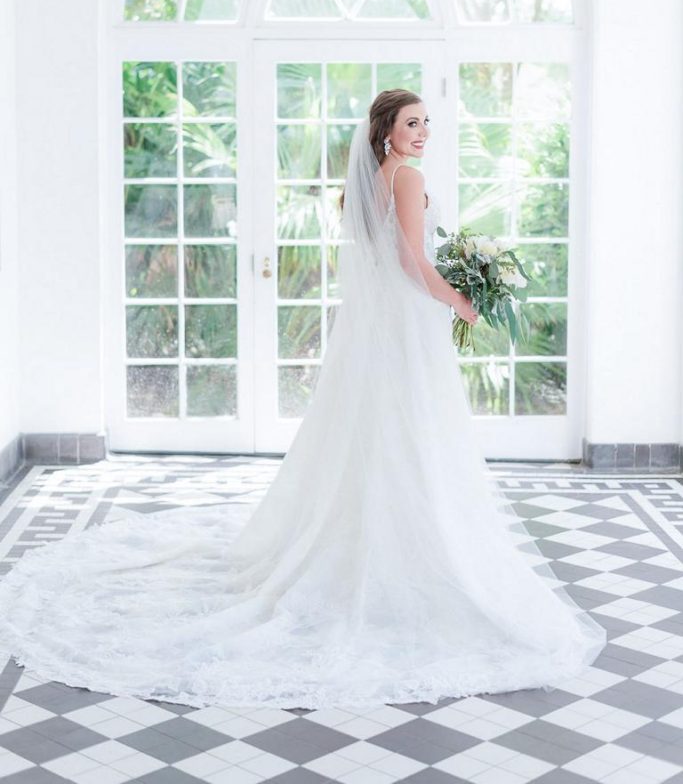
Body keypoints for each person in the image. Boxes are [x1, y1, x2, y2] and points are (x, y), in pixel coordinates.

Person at [0, 89, 606, 710]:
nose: (423, 131)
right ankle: (409, 553)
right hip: (406, 324)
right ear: (386, 130)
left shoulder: (375, 178)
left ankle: (370, 540)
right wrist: (459, 300)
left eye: (427, 122)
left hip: (388, 326)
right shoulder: (407, 177)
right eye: (411, 123)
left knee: (382, 432)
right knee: (411, 431)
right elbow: (408, 261)